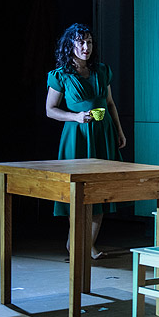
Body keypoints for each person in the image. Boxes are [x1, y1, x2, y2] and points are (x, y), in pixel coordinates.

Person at [46, 23, 127, 259]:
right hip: (77, 137)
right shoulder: (60, 75)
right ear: (70, 46)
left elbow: (109, 104)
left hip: (103, 135)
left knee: (101, 192)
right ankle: (76, 243)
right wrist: (76, 117)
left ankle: (86, 245)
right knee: (78, 193)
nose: (86, 47)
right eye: (80, 42)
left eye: (89, 42)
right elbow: (50, 110)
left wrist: (119, 131)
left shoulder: (101, 70)